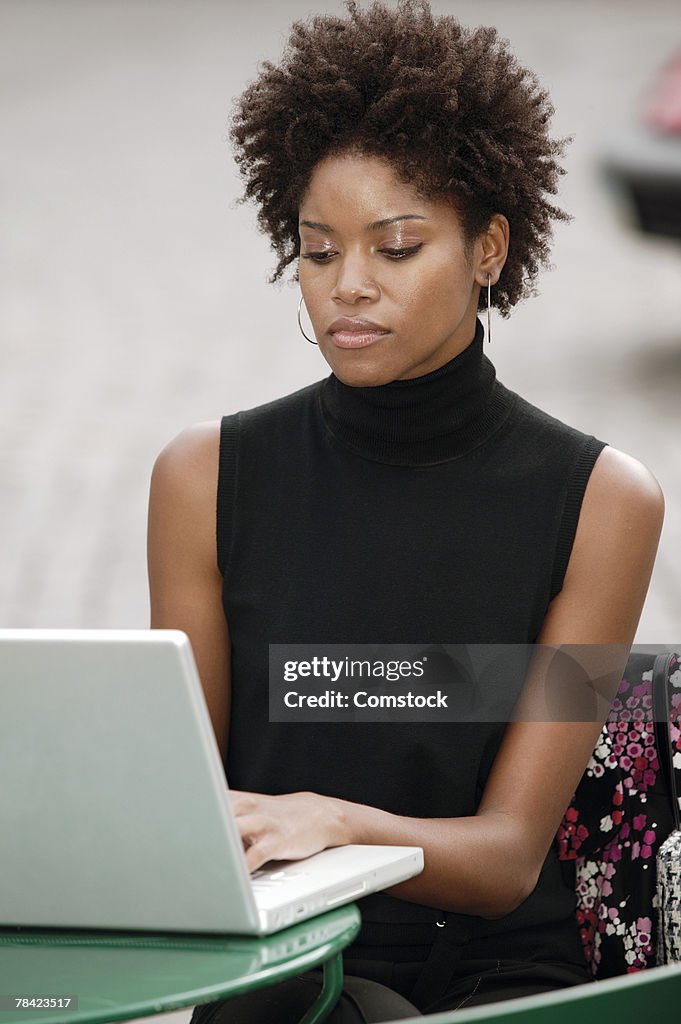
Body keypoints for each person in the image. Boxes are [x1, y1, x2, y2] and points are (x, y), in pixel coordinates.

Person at [146, 1, 665, 1019]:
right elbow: (184, 821)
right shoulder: (203, 479)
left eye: (395, 247)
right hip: (278, 977)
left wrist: (334, 821)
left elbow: (510, 859)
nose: (348, 287)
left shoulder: (603, 501)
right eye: (318, 248)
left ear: (486, 250)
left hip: (494, 978)